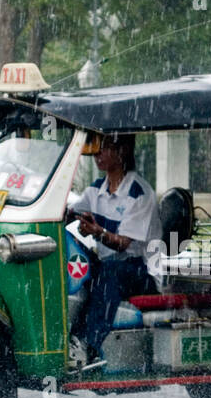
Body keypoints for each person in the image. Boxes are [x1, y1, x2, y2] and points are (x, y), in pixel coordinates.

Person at [66, 133, 162, 366]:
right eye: (97, 148)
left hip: (143, 270)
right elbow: (68, 212)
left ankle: (91, 345)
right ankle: (70, 339)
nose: (98, 154)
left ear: (122, 152)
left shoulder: (139, 193)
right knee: (81, 269)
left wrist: (97, 231)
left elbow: (123, 245)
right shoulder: (95, 189)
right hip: (110, 264)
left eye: (106, 148)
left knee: (109, 273)